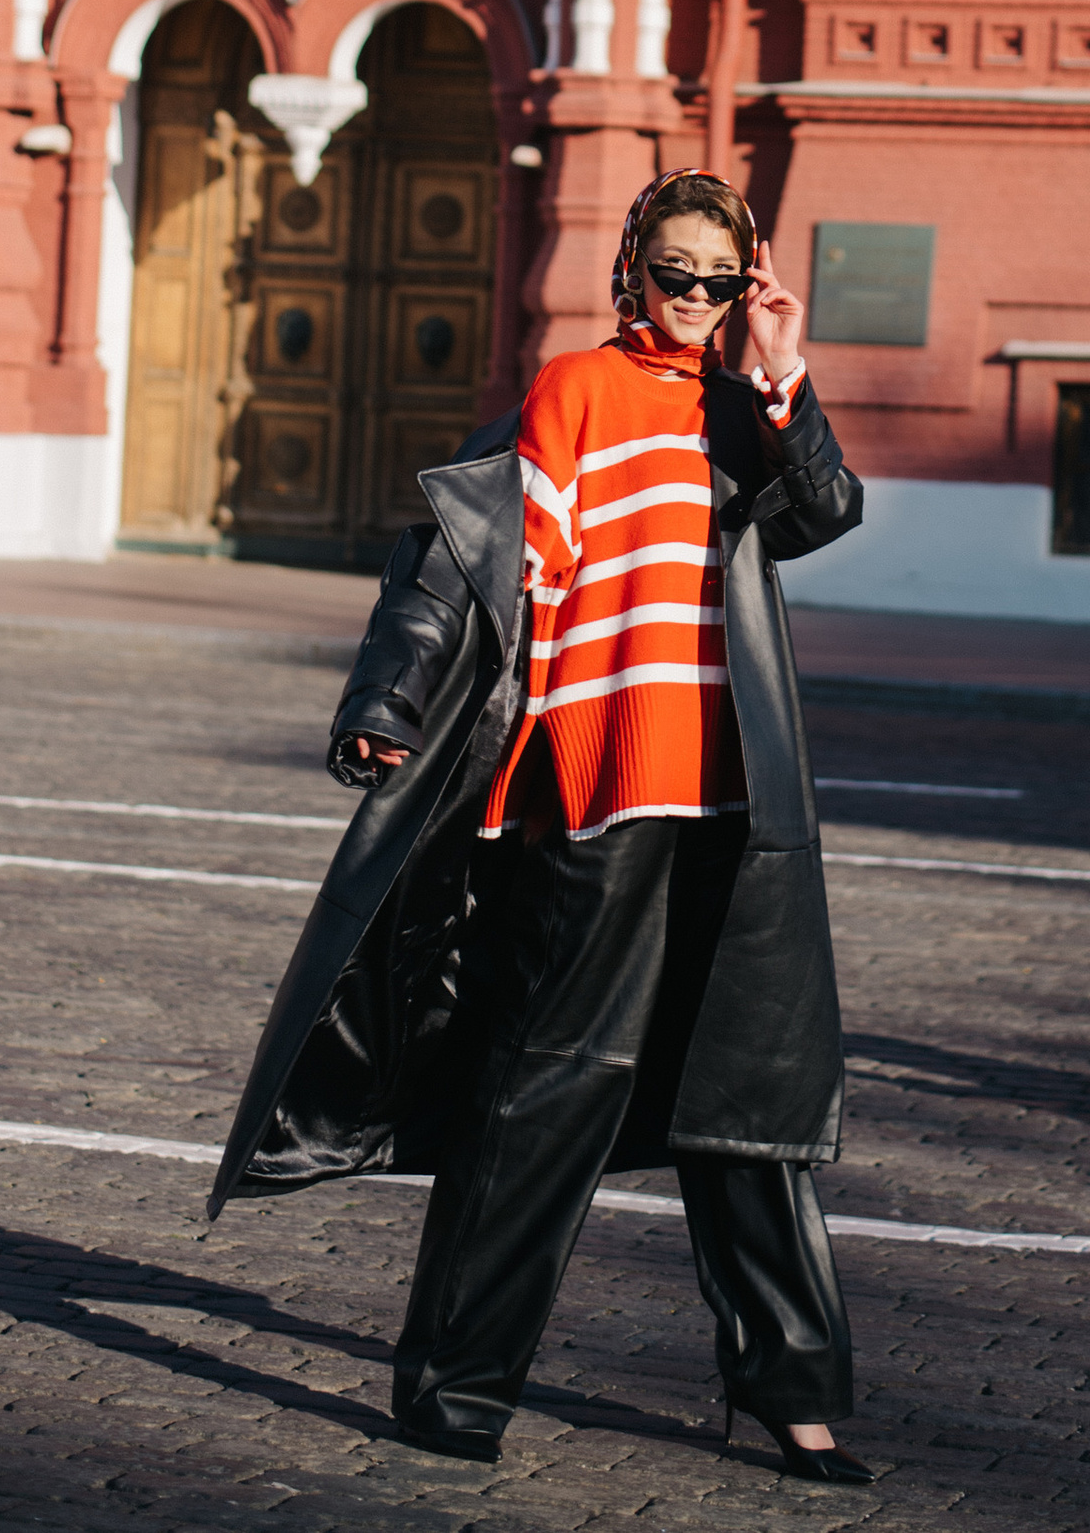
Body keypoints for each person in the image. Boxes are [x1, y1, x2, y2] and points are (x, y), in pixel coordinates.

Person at [208, 167, 873, 1482]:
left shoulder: (748, 413)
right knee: (542, 1089)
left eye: (720, 281)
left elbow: (822, 513)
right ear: (634, 269)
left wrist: (785, 369)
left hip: (737, 810)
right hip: (590, 789)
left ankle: (793, 1391)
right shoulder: (573, 389)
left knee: (750, 1101)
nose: (695, 300)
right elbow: (462, 555)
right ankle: (455, 1380)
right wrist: (388, 697)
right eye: (676, 273)